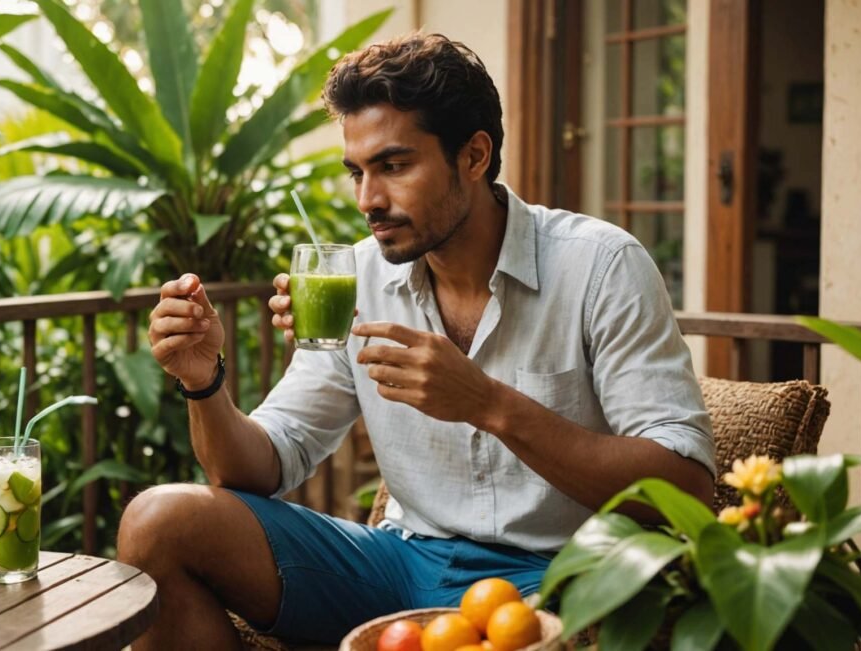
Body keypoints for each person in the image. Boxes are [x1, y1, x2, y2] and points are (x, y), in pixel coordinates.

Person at [121, 32, 714, 649]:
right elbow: (262, 464)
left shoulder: (600, 266)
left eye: (394, 166)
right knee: (157, 522)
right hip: (400, 565)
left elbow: (686, 486)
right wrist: (202, 379)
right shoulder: (357, 278)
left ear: (475, 156)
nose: (368, 201)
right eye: (357, 173)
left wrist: (488, 403)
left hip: (559, 573)